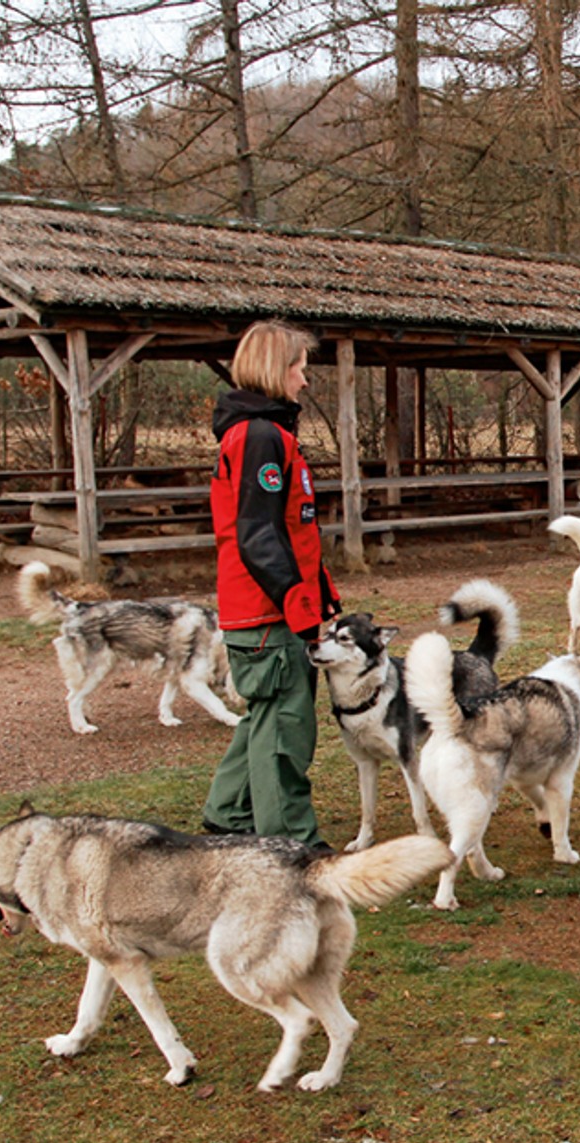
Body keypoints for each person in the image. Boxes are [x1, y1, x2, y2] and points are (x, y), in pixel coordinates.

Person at [202, 319, 340, 846]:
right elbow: (258, 535)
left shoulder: (263, 433)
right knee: (286, 725)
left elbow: (293, 527)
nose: (304, 381)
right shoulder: (260, 436)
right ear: (274, 369)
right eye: (298, 369)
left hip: (263, 608)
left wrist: (321, 592)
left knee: (264, 717)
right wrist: (297, 603)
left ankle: (229, 812)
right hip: (266, 613)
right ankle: (290, 842)